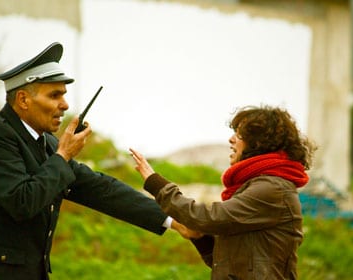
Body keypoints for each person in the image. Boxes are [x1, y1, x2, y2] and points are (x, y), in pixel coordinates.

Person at [0, 42, 198, 280]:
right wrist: (63, 156)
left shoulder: (47, 142)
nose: (65, 104)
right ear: (23, 100)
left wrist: (173, 220)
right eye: (54, 95)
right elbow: (22, 202)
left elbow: (100, 189)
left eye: (64, 95)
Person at [130, 105, 316, 280]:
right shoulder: (258, 187)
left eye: (240, 134)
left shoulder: (272, 189)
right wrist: (200, 238)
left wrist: (156, 183)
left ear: (259, 143)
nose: (231, 139)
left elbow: (209, 218)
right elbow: (230, 265)